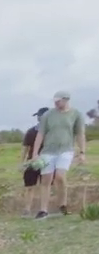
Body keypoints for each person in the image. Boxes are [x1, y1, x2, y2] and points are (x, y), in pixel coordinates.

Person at [30, 90, 87, 218]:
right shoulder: (48, 115)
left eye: (59, 101)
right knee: (46, 179)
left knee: (60, 176)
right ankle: (43, 210)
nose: (56, 103)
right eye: (55, 101)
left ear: (66, 100)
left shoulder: (76, 114)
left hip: (66, 150)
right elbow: (40, 134)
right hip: (48, 151)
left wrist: (82, 152)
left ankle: (62, 204)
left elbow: (80, 134)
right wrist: (35, 153)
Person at [21, 107, 49, 215]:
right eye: (38, 116)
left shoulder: (52, 132)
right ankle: (27, 209)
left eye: (40, 116)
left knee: (45, 186)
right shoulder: (31, 131)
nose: (38, 118)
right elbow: (25, 148)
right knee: (29, 186)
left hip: (48, 162)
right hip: (32, 161)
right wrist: (22, 162)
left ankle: (43, 209)